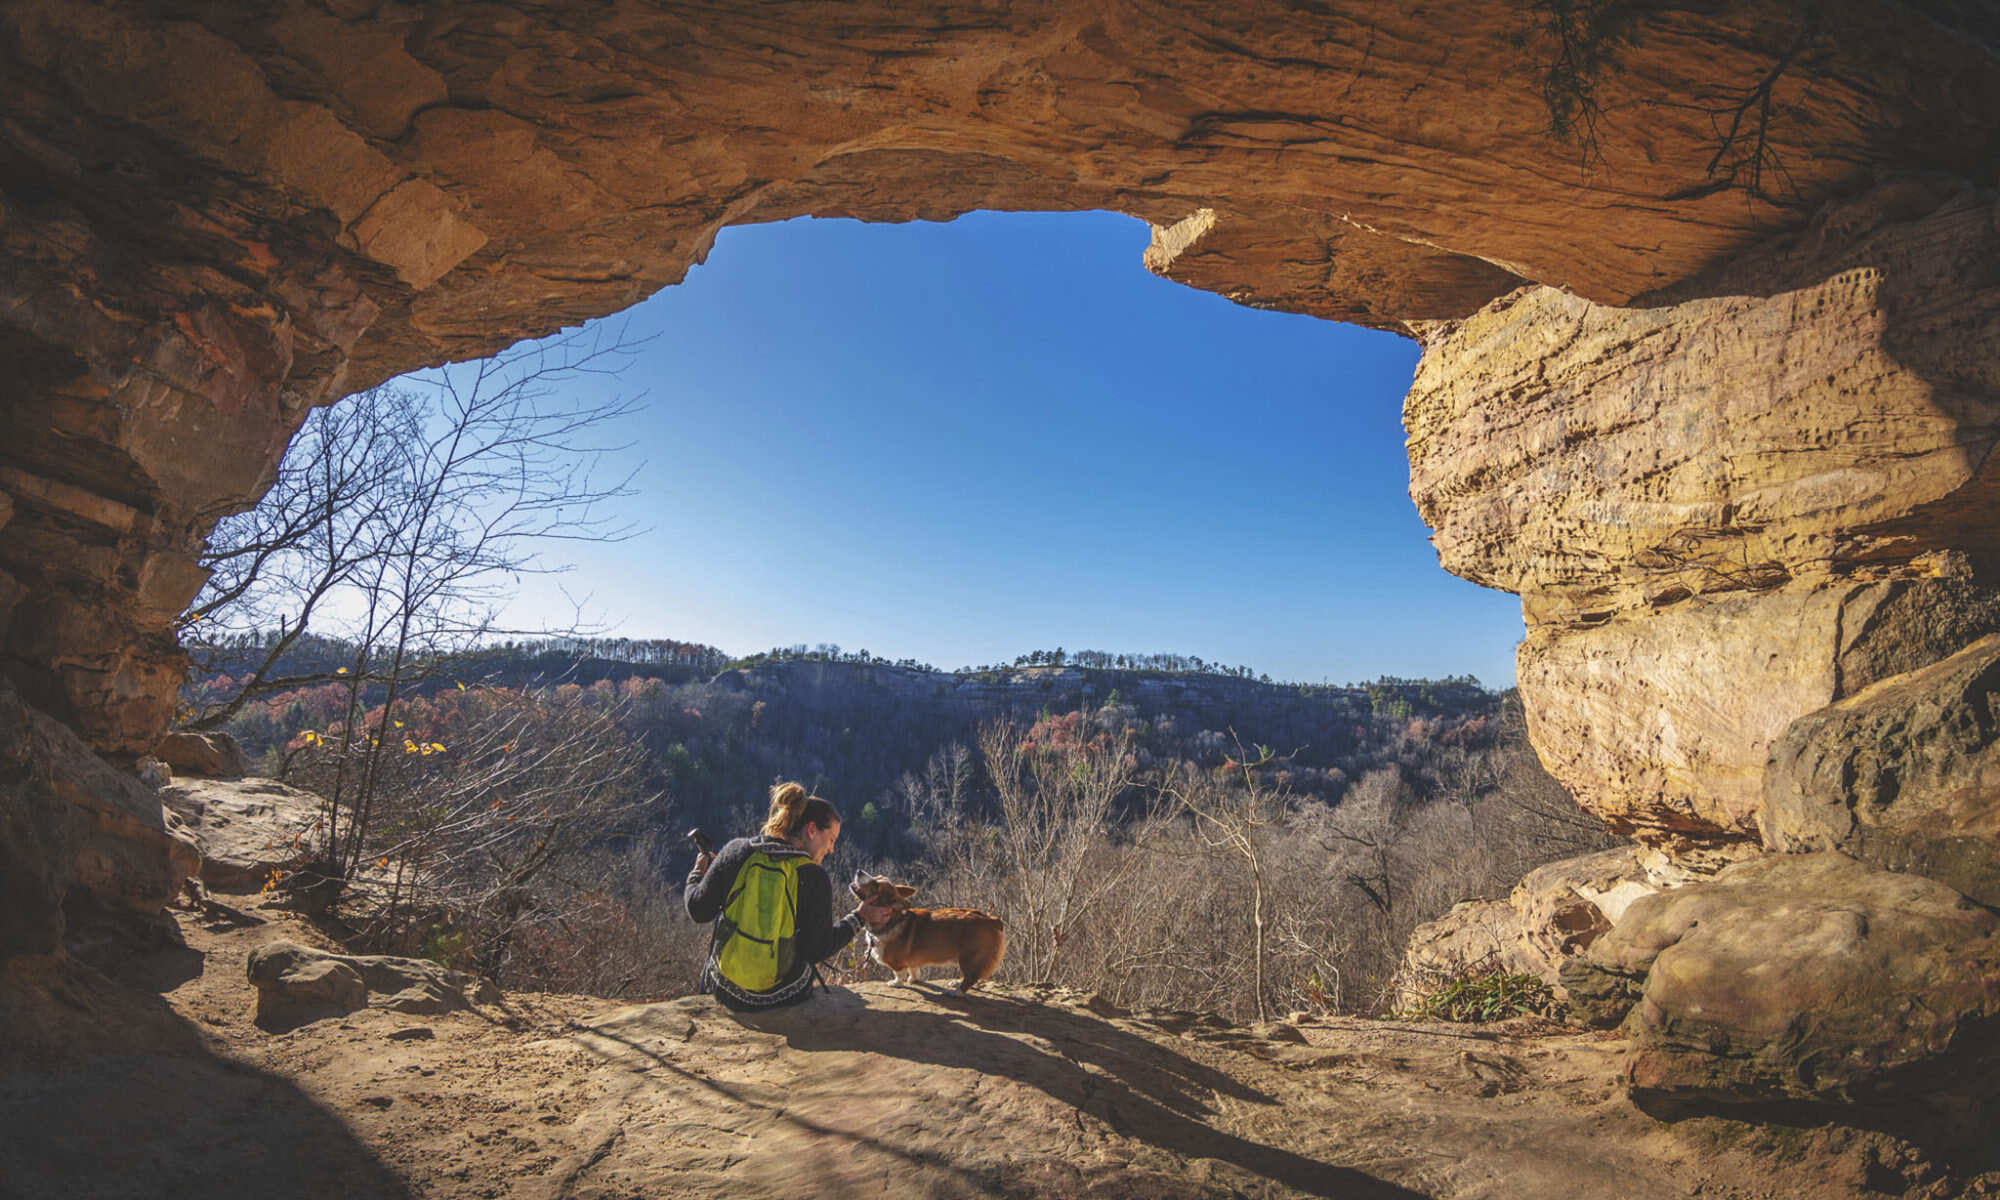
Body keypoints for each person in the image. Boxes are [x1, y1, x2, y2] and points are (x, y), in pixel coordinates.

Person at [685, 781, 883, 1010]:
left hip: (727, 992)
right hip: (780, 996)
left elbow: (698, 910)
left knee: (714, 962)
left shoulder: (737, 852)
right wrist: (859, 917)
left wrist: (697, 873)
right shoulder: (813, 876)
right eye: (831, 839)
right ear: (811, 830)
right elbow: (817, 949)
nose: (832, 849)